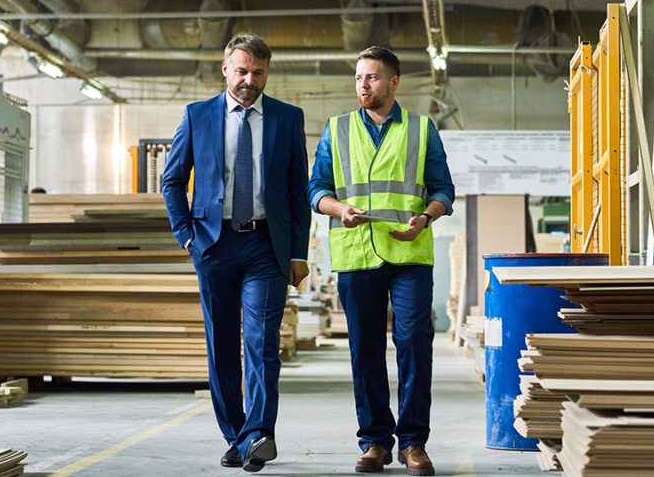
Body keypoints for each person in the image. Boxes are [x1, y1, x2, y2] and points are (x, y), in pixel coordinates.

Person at [162, 33, 311, 473]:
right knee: (221, 343)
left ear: (267, 72)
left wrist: (298, 252)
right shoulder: (197, 116)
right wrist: (187, 237)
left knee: (262, 343)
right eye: (242, 71)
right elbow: (172, 181)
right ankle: (236, 435)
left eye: (258, 72)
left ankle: (259, 434)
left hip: (267, 245)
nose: (250, 80)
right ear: (225, 68)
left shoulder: (287, 118)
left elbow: (297, 193)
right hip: (214, 244)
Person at [308, 46, 454, 476]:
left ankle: (413, 442)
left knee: (413, 342)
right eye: (358, 78)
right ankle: (374, 441)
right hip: (356, 253)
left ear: (393, 83)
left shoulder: (422, 129)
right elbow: (316, 189)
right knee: (365, 350)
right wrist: (339, 210)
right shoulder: (335, 130)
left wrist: (426, 217)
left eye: (372, 78)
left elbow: (444, 190)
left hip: (409, 251)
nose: (363, 86)